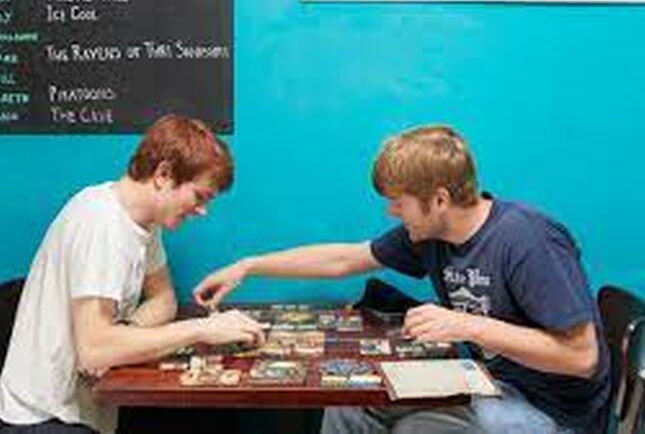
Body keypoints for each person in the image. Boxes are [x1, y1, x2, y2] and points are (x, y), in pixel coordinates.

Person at [193, 125, 610, 433]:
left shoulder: (528, 239)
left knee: (418, 430)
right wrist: (248, 265)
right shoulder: (432, 233)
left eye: (398, 202)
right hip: (488, 383)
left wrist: (469, 326)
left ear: (440, 199)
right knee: (348, 405)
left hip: (554, 412)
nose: (392, 212)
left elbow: (581, 357)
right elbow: (344, 259)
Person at [0, 115, 265, 434]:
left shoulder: (142, 221)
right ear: (164, 174)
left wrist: (123, 336)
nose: (202, 210)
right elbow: (94, 350)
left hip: (84, 411)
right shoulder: (101, 223)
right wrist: (202, 329)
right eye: (199, 196)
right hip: (42, 420)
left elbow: (163, 299)